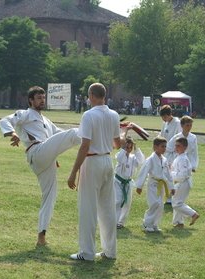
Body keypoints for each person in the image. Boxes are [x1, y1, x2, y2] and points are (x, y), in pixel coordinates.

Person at [0, 86, 80, 246]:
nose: (42, 100)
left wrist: (54, 151)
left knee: (50, 196)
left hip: (46, 157)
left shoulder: (47, 121)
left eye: (43, 98)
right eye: (39, 98)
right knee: (74, 134)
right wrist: (12, 133)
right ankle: (97, 137)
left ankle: (41, 236)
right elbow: (4, 120)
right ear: (31, 100)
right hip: (36, 152)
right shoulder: (25, 113)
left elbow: (59, 134)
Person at [67, 83, 121, 261]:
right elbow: (117, 144)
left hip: (92, 161)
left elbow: (85, 145)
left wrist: (74, 171)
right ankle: (110, 251)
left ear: (91, 95)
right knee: (107, 208)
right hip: (107, 160)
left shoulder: (89, 115)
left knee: (88, 208)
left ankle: (87, 252)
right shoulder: (113, 115)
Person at [136, 136, 175, 232]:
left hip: (161, 185)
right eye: (162, 146)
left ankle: (154, 224)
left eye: (165, 147)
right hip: (153, 184)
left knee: (160, 205)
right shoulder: (150, 159)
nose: (164, 149)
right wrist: (139, 186)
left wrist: (171, 187)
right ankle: (147, 223)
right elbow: (144, 171)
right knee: (154, 203)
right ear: (155, 147)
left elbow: (168, 174)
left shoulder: (164, 160)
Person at [113, 136, 145, 229]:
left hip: (128, 182)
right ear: (123, 147)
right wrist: (123, 148)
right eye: (127, 147)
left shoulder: (133, 157)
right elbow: (120, 159)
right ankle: (114, 222)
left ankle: (121, 222)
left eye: (131, 148)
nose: (129, 149)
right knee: (118, 201)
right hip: (118, 181)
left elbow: (141, 162)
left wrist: (136, 148)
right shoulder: (119, 154)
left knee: (127, 203)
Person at [170, 137, 199, 228]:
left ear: (185, 147)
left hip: (182, 182)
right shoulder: (180, 157)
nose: (176, 147)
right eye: (175, 145)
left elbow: (183, 175)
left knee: (176, 204)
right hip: (181, 182)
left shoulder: (182, 159)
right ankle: (179, 222)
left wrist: (171, 174)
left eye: (179, 146)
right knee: (179, 202)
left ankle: (193, 214)